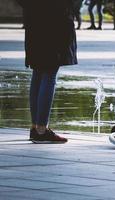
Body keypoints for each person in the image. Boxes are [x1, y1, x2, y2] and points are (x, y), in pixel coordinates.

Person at [16, 0, 77, 143]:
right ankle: (41, 130)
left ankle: (35, 127)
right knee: (49, 72)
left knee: (38, 73)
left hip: (35, 21)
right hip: (54, 21)